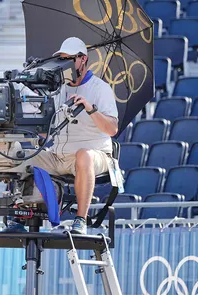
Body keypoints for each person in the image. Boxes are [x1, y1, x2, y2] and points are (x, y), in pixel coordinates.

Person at [9, 37, 119, 234]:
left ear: (82, 59)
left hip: (96, 155)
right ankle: (19, 215)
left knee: (83, 155)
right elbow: (46, 129)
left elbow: (112, 129)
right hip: (58, 155)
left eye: (68, 59)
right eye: (61, 59)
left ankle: (80, 220)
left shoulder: (100, 88)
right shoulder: (57, 87)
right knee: (19, 155)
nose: (64, 64)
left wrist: (90, 108)